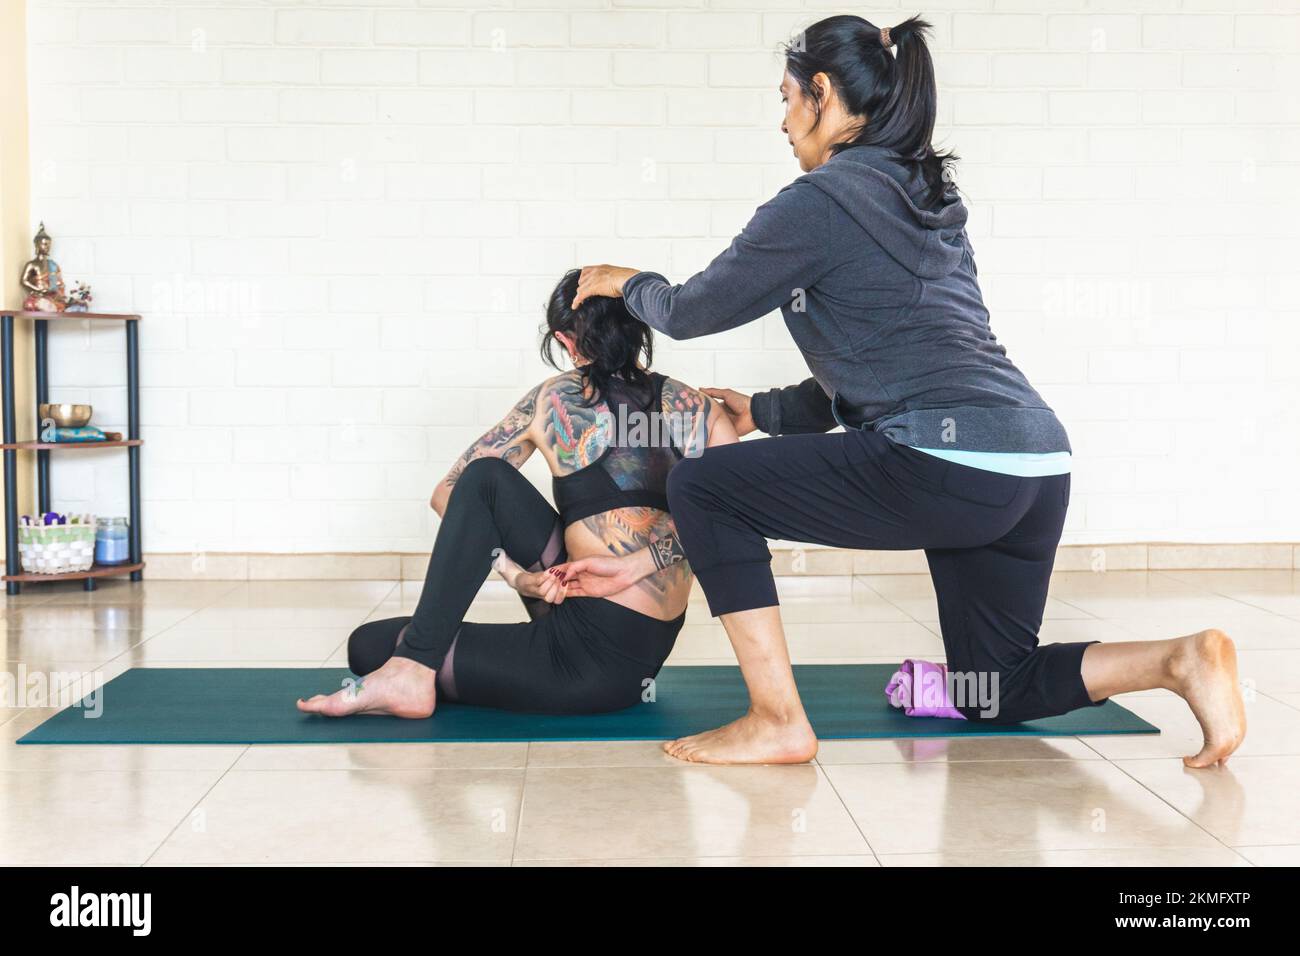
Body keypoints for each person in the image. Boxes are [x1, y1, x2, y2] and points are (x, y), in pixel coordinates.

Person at [563, 14, 1246, 767]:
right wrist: (766, 412)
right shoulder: (929, 198)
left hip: (947, 463)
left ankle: (777, 719)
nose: (783, 121)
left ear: (821, 94)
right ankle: (1181, 660)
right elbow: (886, 362)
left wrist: (631, 284)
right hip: (1036, 462)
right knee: (996, 686)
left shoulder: (819, 201)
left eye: (787, 98)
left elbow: (692, 311)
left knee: (704, 488)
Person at [297, 269, 737, 718]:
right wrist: (525, 577)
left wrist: (512, 572)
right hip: (634, 648)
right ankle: (415, 663)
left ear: (566, 341)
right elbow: (732, 523)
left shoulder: (553, 399)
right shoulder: (697, 409)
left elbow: (448, 491)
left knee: (368, 645)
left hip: (585, 667)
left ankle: (412, 669)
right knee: (486, 485)